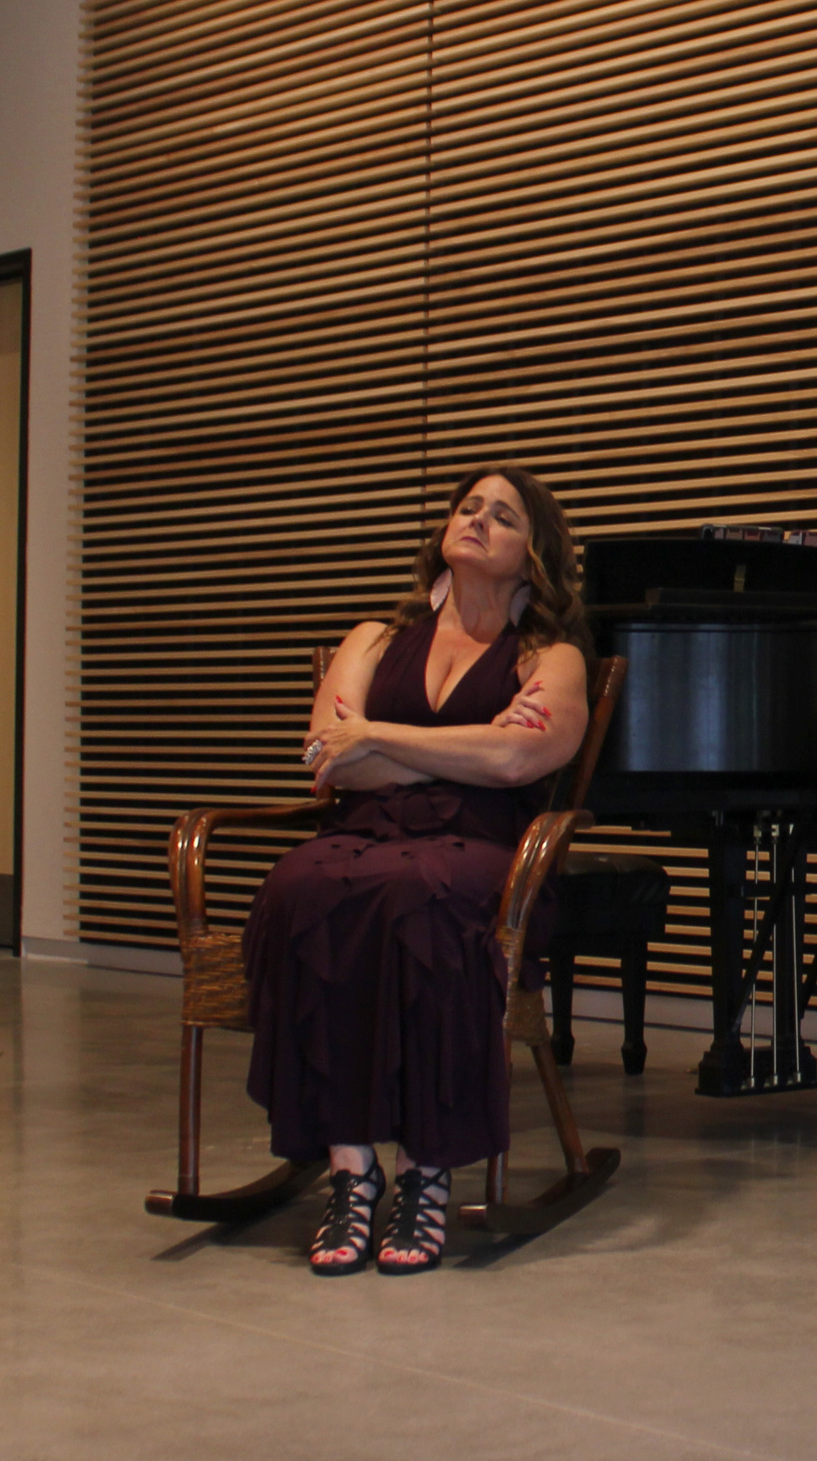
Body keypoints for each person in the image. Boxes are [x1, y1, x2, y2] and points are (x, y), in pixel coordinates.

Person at [247, 467, 593, 1276]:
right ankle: (351, 1171)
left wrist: (376, 734)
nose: (476, 519)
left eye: (501, 515)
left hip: (484, 854)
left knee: (421, 898)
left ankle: (427, 1174)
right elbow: (327, 763)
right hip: (362, 832)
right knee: (299, 886)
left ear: (531, 553)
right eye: (467, 506)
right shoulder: (373, 637)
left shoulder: (553, 656)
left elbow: (517, 757)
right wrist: (447, 752)